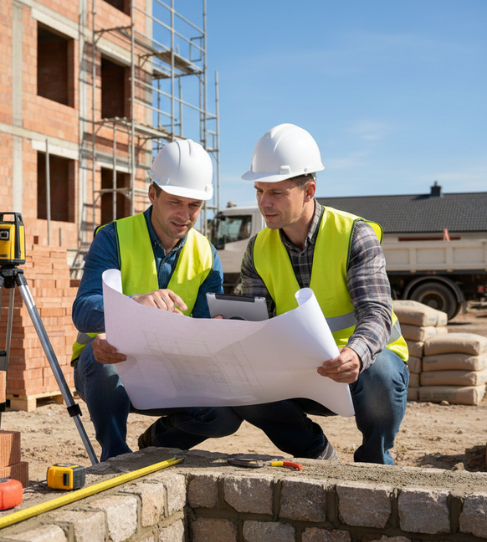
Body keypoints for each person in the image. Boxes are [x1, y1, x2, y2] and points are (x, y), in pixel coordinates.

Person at [235, 124, 409, 464]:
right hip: (300, 368)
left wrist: (356, 354)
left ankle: (376, 462)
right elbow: (254, 323)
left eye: (276, 193)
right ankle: (316, 452)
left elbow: (376, 312)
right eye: (258, 191)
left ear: (309, 190)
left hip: (360, 365)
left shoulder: (354, 235)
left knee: (381, 373)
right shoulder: (257, 248)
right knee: (242, 384)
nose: (263, 203)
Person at [71, 139, 243, 461]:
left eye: (194, 205)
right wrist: (133, 305)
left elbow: (205, 327)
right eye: (174, 202)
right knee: (104, 359)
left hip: (170, 369)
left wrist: (218, 332)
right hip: (110, 365)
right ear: (153, 195)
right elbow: (83, 309)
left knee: (225, 413)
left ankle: (155, 446)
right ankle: (115, 458)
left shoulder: (207, 254)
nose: (184, 215)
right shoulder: (113, 237)